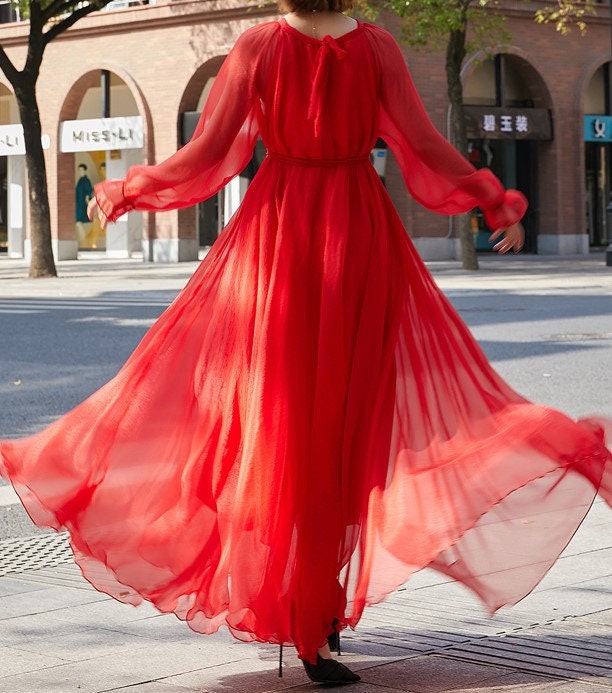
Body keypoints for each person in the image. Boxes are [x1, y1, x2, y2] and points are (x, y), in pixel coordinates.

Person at [2, 1, 611, 687]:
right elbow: (422, 144)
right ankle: (319, 613)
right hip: (358, 239)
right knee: (347, 431)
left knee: (283, 428)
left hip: (279, 241)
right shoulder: (377, 47)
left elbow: (210, 152)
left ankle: (305, 611)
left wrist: (131, 188)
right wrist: (490, 196)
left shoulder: (258, 46)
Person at [75, 162, 94, 242]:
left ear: (85, 171)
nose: (81, 172)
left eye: (82, 170)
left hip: (83, 204)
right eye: (79, 170)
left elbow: (89, 191)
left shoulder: (86, 180)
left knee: (79, 221)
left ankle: (84, 239)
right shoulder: (80, 180)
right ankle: (84, 238)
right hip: (79, 203)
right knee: (79, 222)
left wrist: (87, 198)